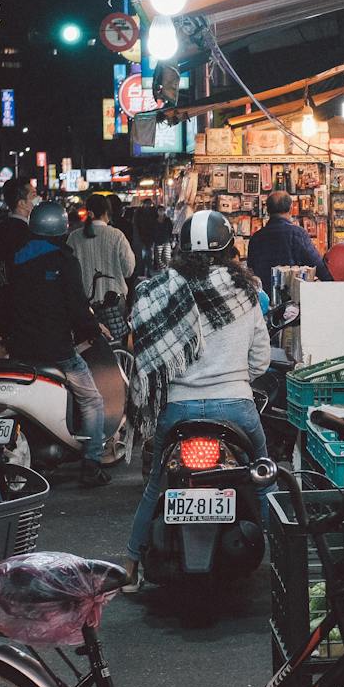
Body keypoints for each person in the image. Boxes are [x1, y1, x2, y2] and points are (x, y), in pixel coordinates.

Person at [122, 209, 269, 582]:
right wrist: (235, 378)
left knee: (156, 483)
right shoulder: (246, 293)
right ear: (229, 248)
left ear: (181, 249)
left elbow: (151, 356)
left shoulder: (161, 291)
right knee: (264, 475)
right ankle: (283, 560)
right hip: (237, 406)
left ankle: (130, 566)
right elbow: (261, 362)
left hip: (177, 410)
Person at [2, 201, 112, 488]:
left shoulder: (13, 259)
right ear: (61, 230)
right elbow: (77, 307)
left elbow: (0, 300)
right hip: (58, 352)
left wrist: (9, 334)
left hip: (20, 351)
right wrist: (91, 329)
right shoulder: (64, 260)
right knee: (92, 400)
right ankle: (92, 462)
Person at [245, 190, 330, 292]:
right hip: (291, 297)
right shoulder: (298, 234)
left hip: (264, 297)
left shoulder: (256, 238)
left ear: (267, 210)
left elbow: (251, 270)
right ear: (290, 209)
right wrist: (333, 283)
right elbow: (316, 264)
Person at [68, 193, 137, 307]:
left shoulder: (74, 237)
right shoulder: (117, 236)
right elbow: (128, 270)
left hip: (84, 304)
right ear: (107, 212)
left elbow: (69, 271)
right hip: (114, 302)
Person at [0, 178, 36, 329]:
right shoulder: (29, 233)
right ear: (21, 203)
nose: (37, 200)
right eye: (33, 196)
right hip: (26, 309)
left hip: (1, 305)